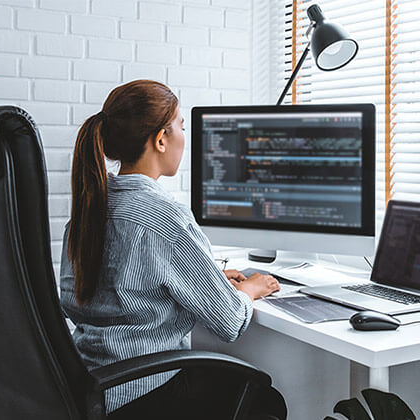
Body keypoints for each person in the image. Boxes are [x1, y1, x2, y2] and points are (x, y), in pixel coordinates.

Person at [59, 79, 284, 419]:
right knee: (267, 403)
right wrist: (251, 289)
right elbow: (230, 322)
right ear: (161, 139)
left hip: (90, 387)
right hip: (142, 390)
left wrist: (201, 279)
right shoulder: (164, 215)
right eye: (181, 126)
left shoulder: (93, 205)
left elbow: (96, 288)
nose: (183, 136)